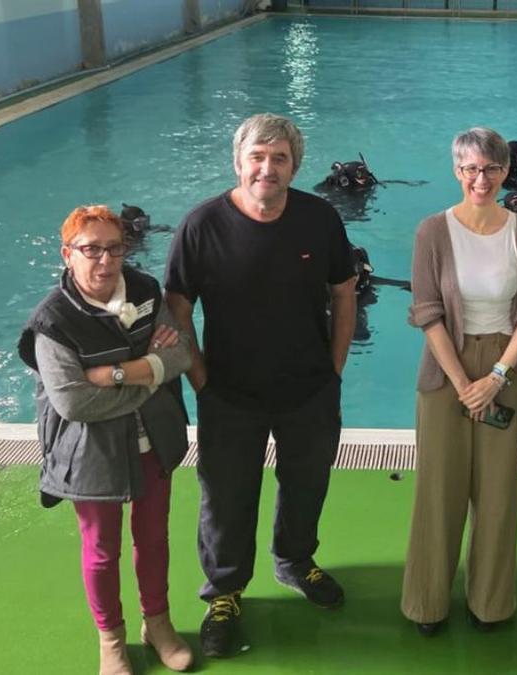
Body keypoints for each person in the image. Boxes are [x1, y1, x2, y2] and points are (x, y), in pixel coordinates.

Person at [164, 113, 358, 657]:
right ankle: (224, 590)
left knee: (307, 481)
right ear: (238, 161)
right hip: (229, 392)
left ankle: (295, 560)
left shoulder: (319, 219)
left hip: (308, 388)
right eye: (257, 157)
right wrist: (200, 378)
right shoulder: (201, 225)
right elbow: (178, 306)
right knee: (225, 497)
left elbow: (343, 292)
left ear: (294, 166)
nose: (266, 169)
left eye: (279, 158)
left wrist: (334, 369)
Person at [17, 205, 194, 675]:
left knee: (153, 538)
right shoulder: (52, 321)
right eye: (90, 249)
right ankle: (110, 638)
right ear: (67, 254)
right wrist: (149, 377)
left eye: (113, 248)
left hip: (152, 440)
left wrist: (118, 374)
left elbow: (180, 355)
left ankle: (157, 623)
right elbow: (74, 404)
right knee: (101, 550)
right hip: (89, 450)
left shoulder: (143, 289)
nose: (104, 260)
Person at [402, 127, 517, 636]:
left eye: (490, 168)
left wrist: (497, 376)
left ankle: (491, 602)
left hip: (503, 363)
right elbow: (426, 312)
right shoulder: (432, 232)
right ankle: (427, 602)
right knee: (438, 487)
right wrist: (464, 380)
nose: (480, 178)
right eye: (470, 168)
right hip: (446, 366)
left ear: (505, 171)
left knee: (497, 490)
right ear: (456, 172)